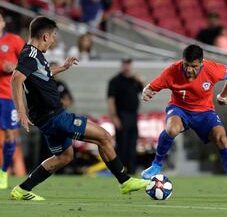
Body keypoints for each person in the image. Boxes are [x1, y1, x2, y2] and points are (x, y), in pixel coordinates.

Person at [10, 16, 149, 200]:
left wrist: (63, 67)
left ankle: (22, 189)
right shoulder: (30, 55)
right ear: (45, 36)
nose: (53, 41)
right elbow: (16, 78)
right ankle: (124, 181)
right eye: (53, 37)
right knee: (104, 137)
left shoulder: (36, 55)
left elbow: (43, 74)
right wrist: (21, 111)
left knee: (65, 157)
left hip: (48, 118)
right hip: (54, 117)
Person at [140, 44, 227, 201]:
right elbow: (151, 87)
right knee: (172, 129)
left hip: (205, 112)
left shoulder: (213, 69)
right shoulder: (172, 71)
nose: (189, 70)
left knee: (222, 139)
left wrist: (223, 94)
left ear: (201, 63)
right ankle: (156, 164)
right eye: (186, 65)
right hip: (179, 109)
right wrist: (146, 92)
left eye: (194, 66)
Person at [0, 10, 25, 190]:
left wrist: (14, 66)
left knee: (9, 135)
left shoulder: (14, 41)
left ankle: (3, 172)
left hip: (7, 97)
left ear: (2, 23)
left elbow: (30, 63)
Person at [107, 59, 144, 174]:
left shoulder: (134, 80)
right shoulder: (115, 81)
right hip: (121, 115)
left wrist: (141, 80)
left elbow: (145, 91)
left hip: (133, 116)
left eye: (129, 64)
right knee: (122, 146)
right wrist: (114, 117)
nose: (127, 67)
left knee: (132, 146)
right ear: (122, 65)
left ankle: (132, 171)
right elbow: (111, 99)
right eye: (125, 64)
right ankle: (120, 172)